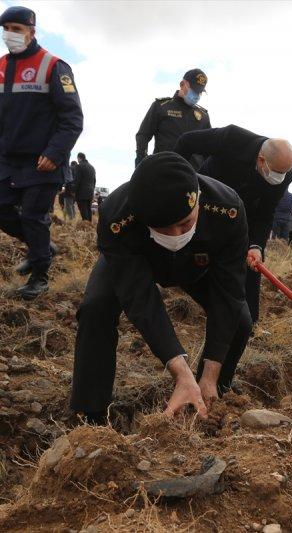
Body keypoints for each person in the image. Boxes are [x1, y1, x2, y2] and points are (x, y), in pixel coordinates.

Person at [70, 152, 251, 422]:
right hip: (138, 258)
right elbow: (140, 299)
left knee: (240, 320)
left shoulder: (228, 209)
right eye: (163, 228)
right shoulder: (117, 217)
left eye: (185, 224)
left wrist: (210, 372)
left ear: (198, 200)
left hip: (198, 262)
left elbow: (229, 291)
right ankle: (92, 412)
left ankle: (210, 392)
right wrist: (179, 369)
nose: (175, 236)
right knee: (96, 308)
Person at [0, 6, 83, 300]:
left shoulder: (53, 66)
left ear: (31, 32)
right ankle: (42, 246)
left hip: (43, 161)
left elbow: (72, 119)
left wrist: (54, 152)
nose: (10, 34)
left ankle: (40, 276)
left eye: (17, 29)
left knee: (34, 218)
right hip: (9, 160)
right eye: (6, 28)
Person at [173, 124, 292, 327]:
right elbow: (186, 141)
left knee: (251, 262)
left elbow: (266, 212)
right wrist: (181, 183)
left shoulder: (284, 176)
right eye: (276, 172)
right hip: (207, 196)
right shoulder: (232, 138)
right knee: (197, 250)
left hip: (244, 211)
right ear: (261, 160)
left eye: (284, 173)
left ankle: (249, 323)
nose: (279, 178)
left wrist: (257, 245)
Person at [135, 69, 211, 168]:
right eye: (194, 90)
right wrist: (142, 165)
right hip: (165, 170)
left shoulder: (203, 116)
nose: (196, 95)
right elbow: (143, 136)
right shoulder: (161, 106)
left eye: (200, 92)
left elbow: (208, 148)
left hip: (195, 176)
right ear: (182, 84)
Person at [73, 152, 96, 221]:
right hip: (90, 192)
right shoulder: (92, 167)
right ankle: (89, 226)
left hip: (81, 192)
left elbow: (77, 180)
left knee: (83, 210)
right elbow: (94, 180)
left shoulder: (79, 166)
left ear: (79, 158)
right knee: (88, 209)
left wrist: (74, 191)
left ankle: (86, 225)